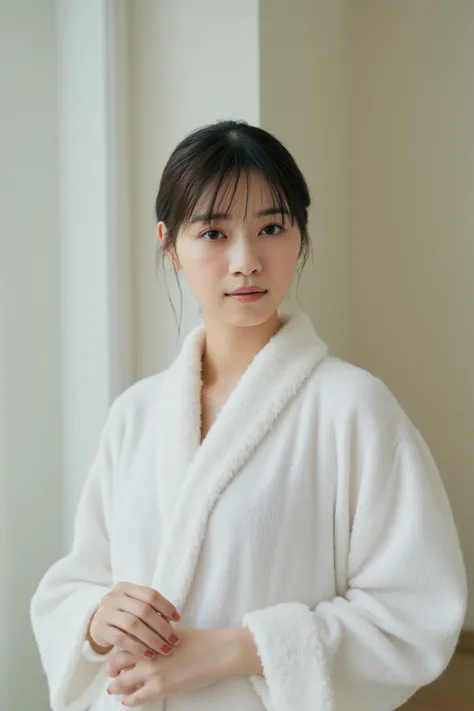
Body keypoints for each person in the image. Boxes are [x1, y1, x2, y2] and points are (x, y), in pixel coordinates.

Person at [31, 120, 467, 711]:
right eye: (213, 233)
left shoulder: (354, 409)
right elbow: (78, 578)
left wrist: (230, 651)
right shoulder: (135, 413)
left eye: (271, 228)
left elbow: (414, 613)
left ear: (299, 235)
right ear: (169, 244)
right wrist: (94, 618)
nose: (246, 261)